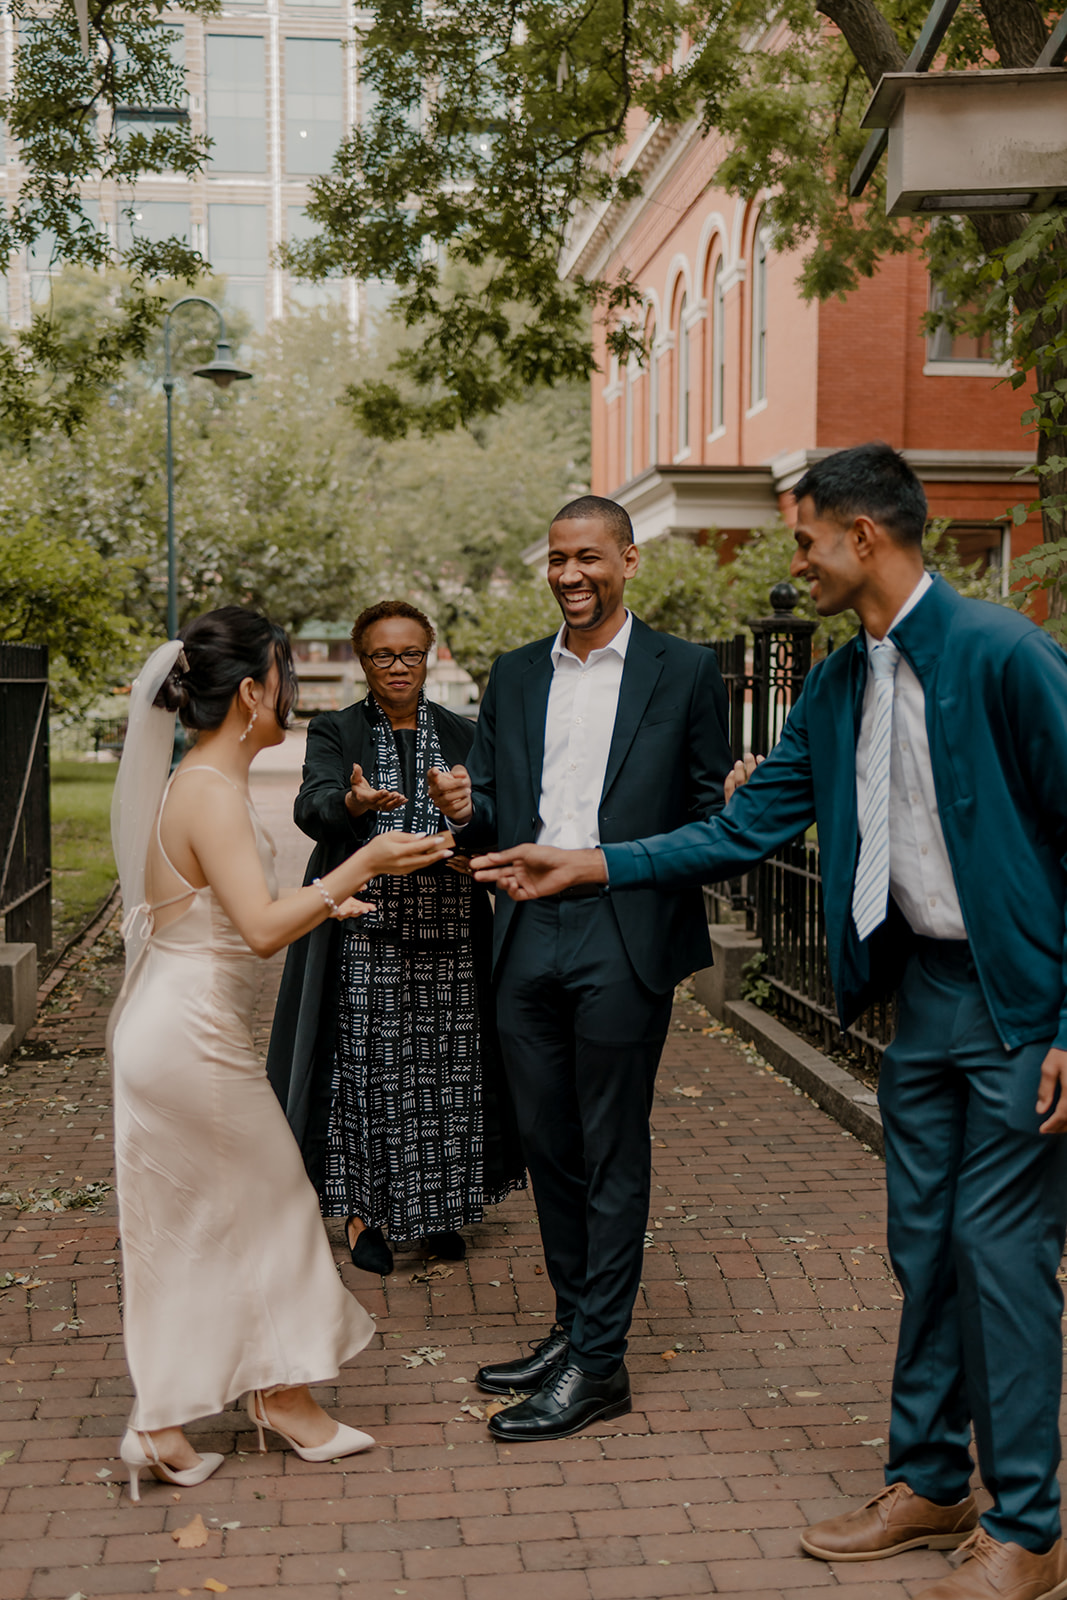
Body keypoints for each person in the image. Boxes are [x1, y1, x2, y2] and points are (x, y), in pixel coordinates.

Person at [471, 444, 1067, 1600]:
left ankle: (1031, 1527)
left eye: (801, 539)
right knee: (921, 1246)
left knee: (997, 1251)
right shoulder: (841, 684)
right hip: (925, 996)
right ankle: (929, 1479)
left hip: (1022, 1000)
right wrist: (588, 863)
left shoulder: (1001, 653)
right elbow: (738, 832)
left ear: (861, 536)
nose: (791, 562)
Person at [109, 606, 452, 1501]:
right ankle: (282, 1399)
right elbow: (261, 932)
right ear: (254, 691)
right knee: (282, 1206)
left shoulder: (198, 781)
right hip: (189, 1041)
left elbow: (217, 917)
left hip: (176, 1027)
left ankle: (167, 1423)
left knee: (201, 1224)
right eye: (287, 678)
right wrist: (361, 865)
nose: (293, 697)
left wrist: (325, 904)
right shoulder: (212, 792)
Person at [426, 494, 732, 1442]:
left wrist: (722, 807)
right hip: (525, 928)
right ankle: (571, 1329)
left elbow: (709, 824)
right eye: (557, 559)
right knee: (548, 1144)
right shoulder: (514, 675)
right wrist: (465, 805)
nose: (570, 575)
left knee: (610, 1146)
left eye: (589, 557)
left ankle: (600, 1366)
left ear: (628, 562)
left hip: (624, 925)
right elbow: (496, 814)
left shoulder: (684, 671)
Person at [267, 600, 525, 1277]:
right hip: (367, 930)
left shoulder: (466, 733)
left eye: (410, 653)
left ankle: (435, 1210)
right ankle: (364, 1214)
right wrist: (351, 804)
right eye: (383, 654)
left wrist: (472, 832)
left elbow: (497, 817)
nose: (398, 666)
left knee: (448, 1071)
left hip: (451, 933)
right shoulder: (336, 729)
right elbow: (311, 806)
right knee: (368, 1074)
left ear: (430, 654)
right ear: (362, 659)